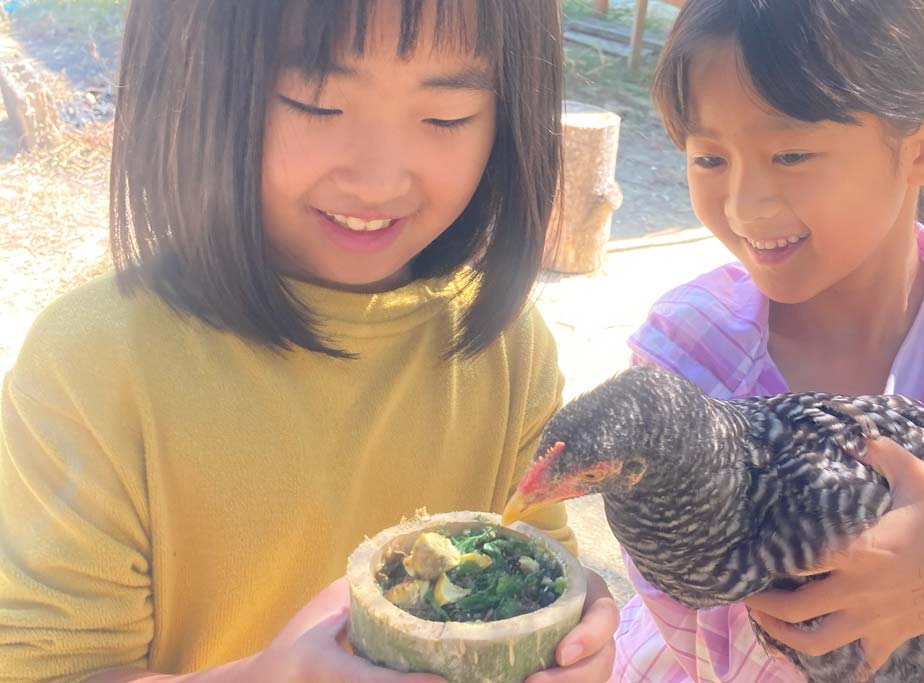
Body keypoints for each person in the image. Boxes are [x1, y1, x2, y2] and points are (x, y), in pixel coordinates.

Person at [0, 1, 618, 682]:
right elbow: (47, 665)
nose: (379, 179)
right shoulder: (90, 365)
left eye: (447, 116)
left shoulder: (509, 349)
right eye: (316, 102)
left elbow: (535, 547)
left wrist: (570, 626)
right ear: (187, 81)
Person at [610, 1, 924, 681]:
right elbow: (697, 631)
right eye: (709, 157)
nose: (746, 206)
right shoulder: (686, 356)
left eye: (791, 153)